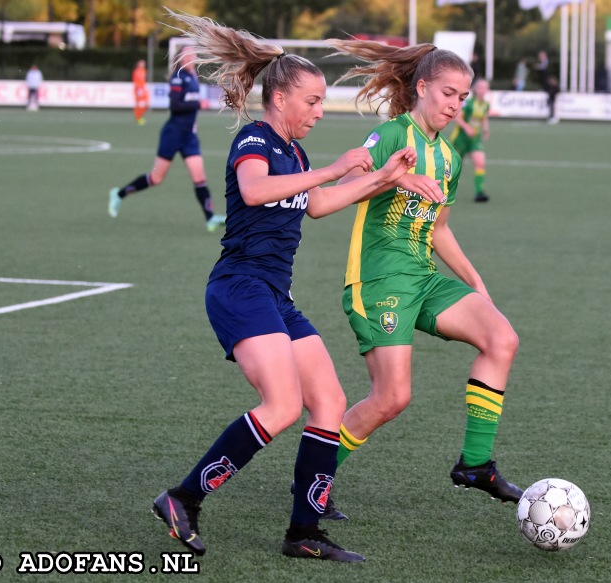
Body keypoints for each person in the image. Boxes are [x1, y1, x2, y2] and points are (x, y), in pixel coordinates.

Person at [149, 11, 419, 562]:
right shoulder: (255, 138)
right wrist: (333, 168)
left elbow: (316, 205)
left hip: (276, 295)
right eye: (313, 101)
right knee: (281, 405)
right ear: (280, 101)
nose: (320, 112)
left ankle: (304, 532)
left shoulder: (293, 152)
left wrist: (380, 178)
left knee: (329, 402)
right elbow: (253, 191)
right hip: (239, 287)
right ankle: (182, 498)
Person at [324, 38, 524, 516]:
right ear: (422, 88)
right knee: (391, 398)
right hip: (379, 280)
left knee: (502, 338)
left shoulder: (450, 159)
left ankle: (475, 465)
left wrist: (476, 282)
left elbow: (438, 230)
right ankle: (314, 478)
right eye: (448, 93)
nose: (455, 105)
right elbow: (340, 188)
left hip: (424, 276)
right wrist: (395, 177)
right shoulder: (391, 135)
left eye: (462, 97)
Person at [108, 47, 226, 232]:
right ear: (181, 58)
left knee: (199, 178)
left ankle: (210, 218)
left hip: (189, 137)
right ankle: (119, 194)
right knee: (156, 178)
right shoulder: (177, 77)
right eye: (189, 54)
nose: (193, 57)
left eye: (193, 54)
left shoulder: (192, 76)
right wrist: (198, 104)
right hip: (173, 134)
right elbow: (175, 104)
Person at [449, 77, 491, 202]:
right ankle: (442, 191)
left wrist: (486, 128)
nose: (484, 90)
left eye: (486, 88)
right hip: (460, 138)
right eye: (481, 87)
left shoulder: (485, 104)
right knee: (453, 168)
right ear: (476, 89)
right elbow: (457, 117)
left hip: (474, 139)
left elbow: (483, 118)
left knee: (480, 162)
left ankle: (479, 192)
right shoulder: (468, 103)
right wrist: (467, 127)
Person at [133, 59, 150, 125]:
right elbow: (136, 81)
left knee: (146, 103)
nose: (143, 64)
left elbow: (143, 81)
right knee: (139, 103)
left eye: (143, 63)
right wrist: (138, 89)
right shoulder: (136, 71)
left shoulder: (144, 71)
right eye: (141, 63)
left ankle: (140, 115)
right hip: (139, 89)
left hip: (143, 89)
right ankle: (138, 117)